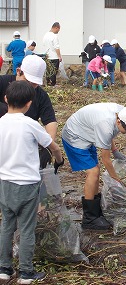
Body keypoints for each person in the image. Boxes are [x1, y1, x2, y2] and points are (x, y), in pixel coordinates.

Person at [0, 80, 64, 284]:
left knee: (6, 225)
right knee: (27, 228)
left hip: (4, 183)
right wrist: (59, 159)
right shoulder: (31, 124)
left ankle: (4, 269)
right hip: (27, 184)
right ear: (29, 104)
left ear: (6, 99)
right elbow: (52, 146)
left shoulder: (1, 122)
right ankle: (26, 272)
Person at [61, 103, 126, 230]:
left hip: (87, 133)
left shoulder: (123, 112)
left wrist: (115, 150)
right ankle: (89, 218)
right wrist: (116, 180)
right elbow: (106, 159)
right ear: (119, 121)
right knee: (93, 171)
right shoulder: (105, 124)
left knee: (95, 171)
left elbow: (109, 134)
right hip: (74, 136)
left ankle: (95, 208)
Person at [0, 55, 58, 169]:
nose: (31, 87)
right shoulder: (2, 82)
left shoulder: (41, 95)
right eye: (28, 81)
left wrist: (48, 147)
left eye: (34, 84)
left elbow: (50, 121)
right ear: (18, 72)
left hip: (23, 145)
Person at [43, 22, 62, 86]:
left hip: (47, 56)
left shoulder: (45, 35)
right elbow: (57, 47)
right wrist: (59, 56)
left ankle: (48, 82)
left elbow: (44, 45)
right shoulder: (54, 36)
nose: (58, 31)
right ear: (56, 27)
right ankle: (53, 84)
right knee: (54, 71)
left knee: (48, 70)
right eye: (58, 30)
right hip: (54, 56)